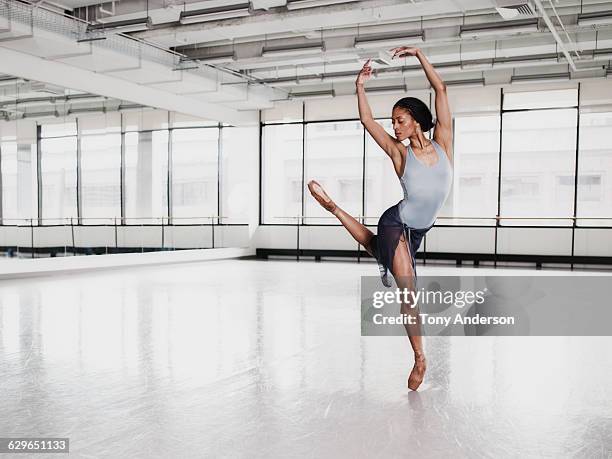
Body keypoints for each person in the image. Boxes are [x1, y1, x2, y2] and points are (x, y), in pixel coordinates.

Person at [307, 47, 453, 390]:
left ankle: (333, 208)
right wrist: (360, 88)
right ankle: (419, 358)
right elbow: (367, 122)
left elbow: (441, 90)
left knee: (376, 248)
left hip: (417, 231)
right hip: (396, 222)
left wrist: (419, 53)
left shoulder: (444, 141)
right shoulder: (399, 153)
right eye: (393, 122)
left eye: (400, 120)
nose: (395, 127)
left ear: (417, 119)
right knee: (408, 292)